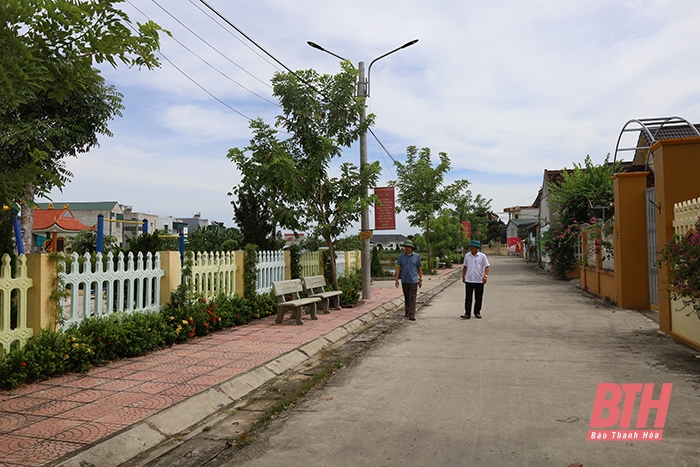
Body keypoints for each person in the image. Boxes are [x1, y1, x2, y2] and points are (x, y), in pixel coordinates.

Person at [461, 239, 490, 319]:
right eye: (470, 247)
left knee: (478, 297)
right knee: (468, 297)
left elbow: (487, 266)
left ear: (477, 248)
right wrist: (463, 276)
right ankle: (467, 313)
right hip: (469, 280)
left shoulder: (482, 256)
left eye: (473, 247)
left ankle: (477, 312)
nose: (471, 248)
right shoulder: (467, 256)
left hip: (479, 280)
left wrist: (485, 276)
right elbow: (465, 267)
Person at [395, 240, 423, 321]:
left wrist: (420, 279)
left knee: (412, 297)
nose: (406, 248)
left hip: (413, 280)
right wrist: (396, 279)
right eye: (405, 247)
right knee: (406, 297)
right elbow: (398, 268)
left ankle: (412, 314)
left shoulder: (416, 256)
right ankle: (407, 311)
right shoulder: (401, 257)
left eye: (408, 247)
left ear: (411, 248)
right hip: (405, 280)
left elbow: (419, 268)